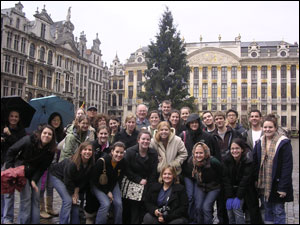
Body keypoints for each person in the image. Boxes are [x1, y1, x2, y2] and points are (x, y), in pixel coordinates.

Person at [5, 124, 56, 224]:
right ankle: (22, 221)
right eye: (45, 133)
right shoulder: (28, 140)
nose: (46, 135)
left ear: (52, 137)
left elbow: (43, 167)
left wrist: (34, 180)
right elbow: (11, 151)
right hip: (21, 170)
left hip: (35, 172)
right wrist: (10, 169)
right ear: (40, 133)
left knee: (36, 198)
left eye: (49, 134)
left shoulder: (50, 151)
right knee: (26, 198)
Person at [253, 114, 293, 224]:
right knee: (268, 211)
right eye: (265, 127)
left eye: (270, 127)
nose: (267, 129)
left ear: (275, 128)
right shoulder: (260, 142)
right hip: (264, 184)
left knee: (278, 211)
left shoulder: (283, 143)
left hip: (277, 183)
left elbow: (287, 166)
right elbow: (256, 163)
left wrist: (283, 187)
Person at [49, 141, 95, 224]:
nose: (87, 152)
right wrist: (73, 193)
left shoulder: (90, 164)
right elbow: (68, 180)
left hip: (73, 183)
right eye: (85, 149)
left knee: (76, 203)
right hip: (58, 176)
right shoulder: (72, 163)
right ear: (80, 151)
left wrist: (77, 191)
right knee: (67, 200)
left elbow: (84, 180)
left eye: (90, 150)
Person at [223, 138, 263, 224]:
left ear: (242, 149)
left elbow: (245, 180)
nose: (234, 151)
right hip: (233, 190)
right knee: (229, 209)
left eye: (237, 148)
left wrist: (238, 197)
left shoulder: (248, 160)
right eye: (232, 149)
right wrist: (229, 196)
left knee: (237, 209)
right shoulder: (226, 160)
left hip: (247, 190)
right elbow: (226, 180)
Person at [212, 111, 242, 224]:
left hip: (233, 170)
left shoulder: (234, 133)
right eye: (217, 119)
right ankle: (222, 220)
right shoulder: (212, 136)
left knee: (232, 198)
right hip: (219, 172)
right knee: (220, 200)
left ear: (225, 120)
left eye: (221, 118)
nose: (219, 121)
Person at [124, 130, 158, 224]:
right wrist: (138, 180)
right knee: (135, 203)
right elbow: (126, 169)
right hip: (132, 181)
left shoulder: (153, 153)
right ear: (138, 140)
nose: (145, 141)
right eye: (143, 139)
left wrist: (149, 183)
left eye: (148, 139)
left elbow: (153, 171)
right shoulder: (130, 152)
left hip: (147, 181)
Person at [183, 142, 222, 224]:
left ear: (206, 153)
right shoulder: (192, 161)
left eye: (201, 153)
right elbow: (189, 174)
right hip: (200, 186)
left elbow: (221, 174)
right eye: (196, 153)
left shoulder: (213, 162)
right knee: (198, 207)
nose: (198, 155)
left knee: (206, 207)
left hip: (213, 187)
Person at [91, 142, 126, 224]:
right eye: (117, 152)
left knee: (118, 203)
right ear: (112, 151)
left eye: (121, 153)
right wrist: (107, 192)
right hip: (98, 185)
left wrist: (110, 190)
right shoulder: (102, 161)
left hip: (112, 184)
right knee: (105, 204)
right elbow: (94, 180)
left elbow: (118, 178)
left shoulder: (122, 162)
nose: (119, 155)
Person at [1, 110, 26, 224]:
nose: (14, 118)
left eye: (16, 116)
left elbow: (18, 145)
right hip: (2, 161)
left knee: (9, 192)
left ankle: (8, 218)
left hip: (11, 164)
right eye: (11, 116)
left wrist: (9, 135)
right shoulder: (3, 128)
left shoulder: (21, 131)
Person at [40, 112, 65, 219]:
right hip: (44, 164)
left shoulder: (61, 133)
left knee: (50, 186)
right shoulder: (46, 132)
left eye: (58, 120)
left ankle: (49, 207)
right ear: (50, 121)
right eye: (54, 120)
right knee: (41, 186)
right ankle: (41, 209)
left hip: (54, 164)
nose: (56, 122)